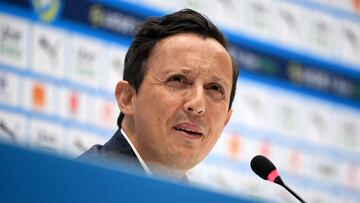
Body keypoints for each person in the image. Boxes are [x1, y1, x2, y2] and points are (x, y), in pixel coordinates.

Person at [78, 8, 239, 183]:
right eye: (177, 79)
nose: (197, 104)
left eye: (215, 88)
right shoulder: (80, 185)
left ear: (225, 120)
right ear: (128, 98)